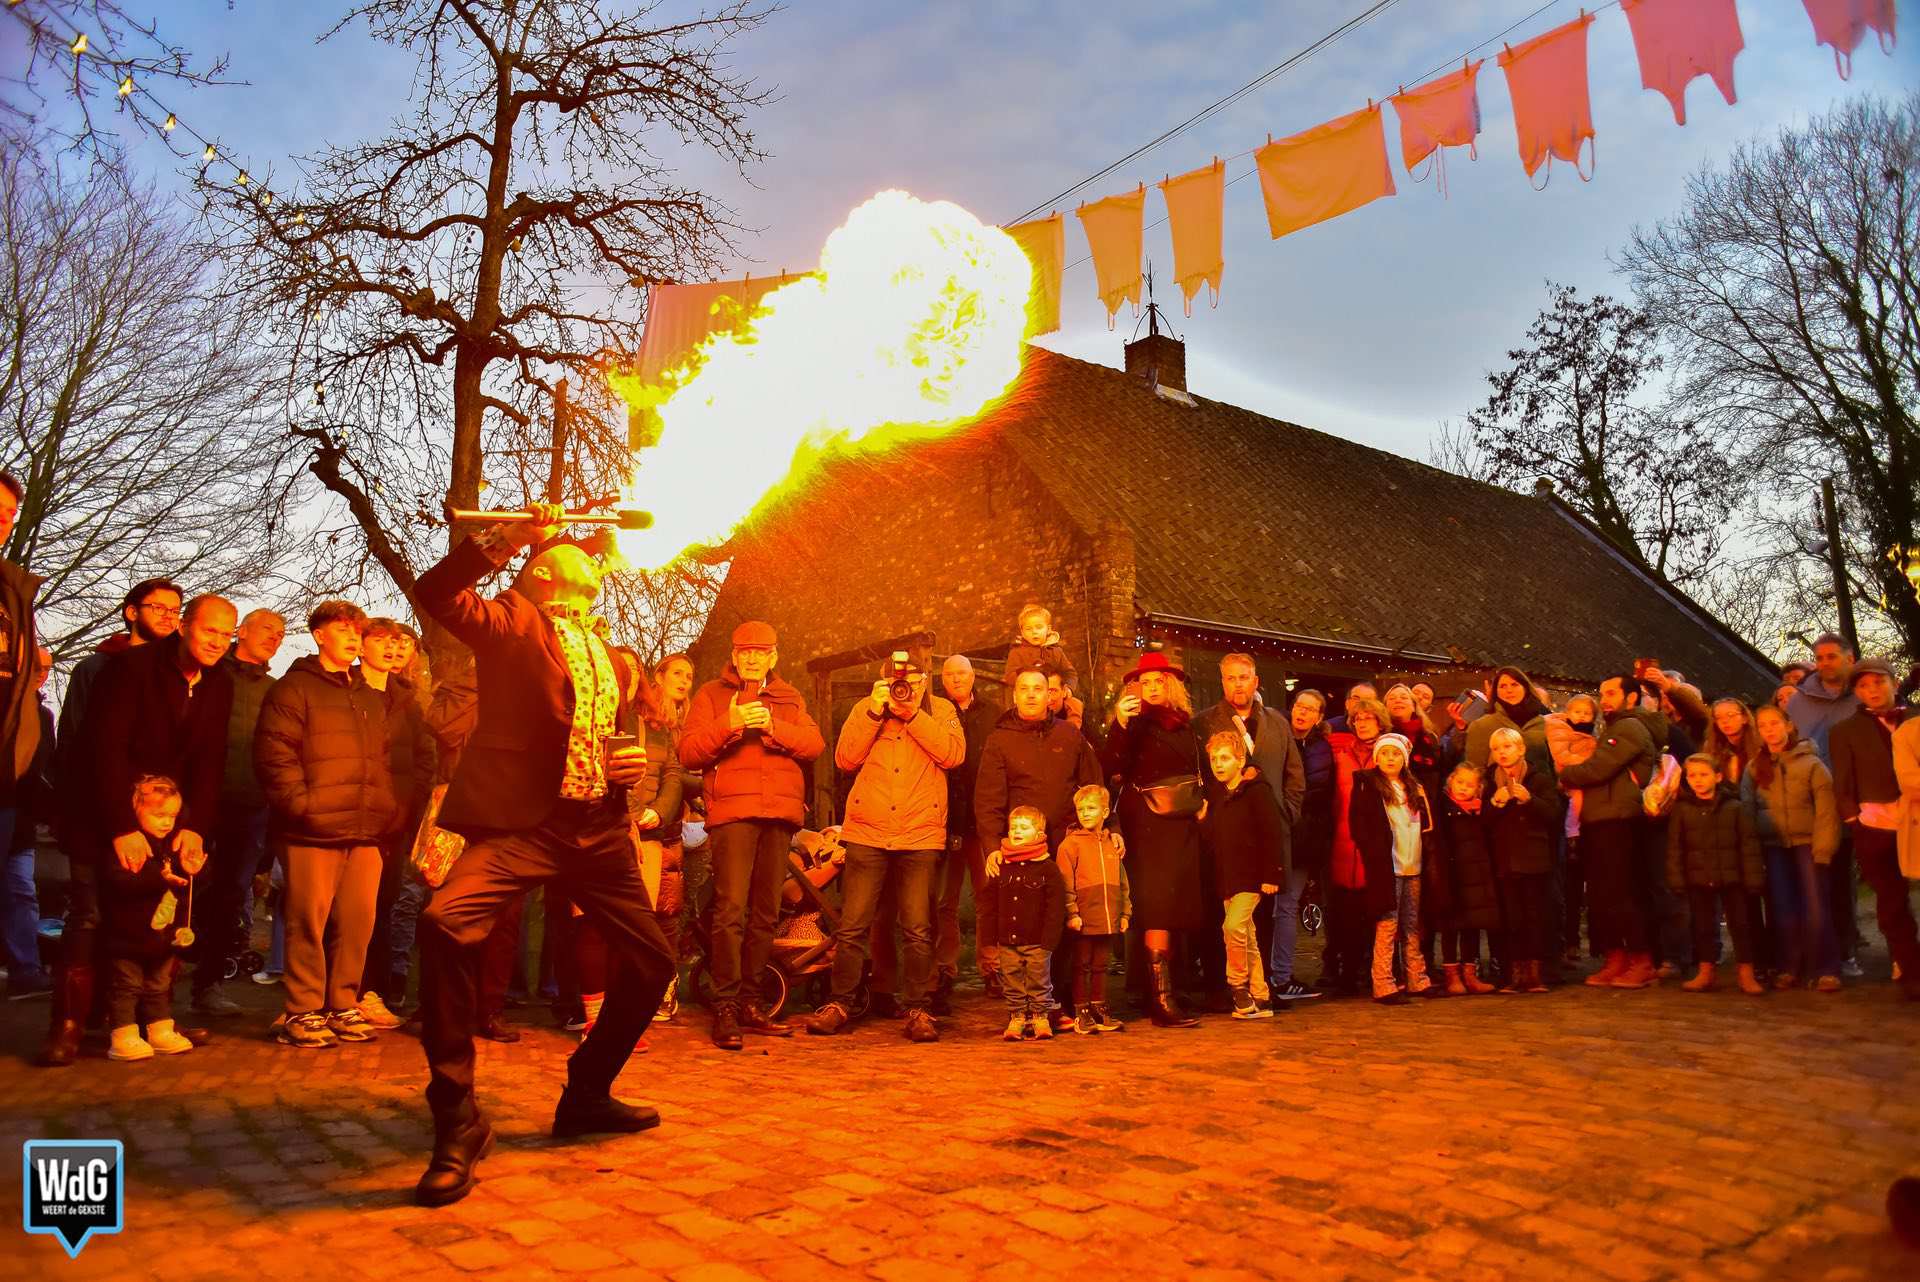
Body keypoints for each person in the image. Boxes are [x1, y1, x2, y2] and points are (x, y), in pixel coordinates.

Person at [409, 506, 678, 1207]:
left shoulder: (619, 658)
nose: (590, 553)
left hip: (598, 832)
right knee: (443, 923)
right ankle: (457, 1121)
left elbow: (617, 743)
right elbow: (436, 594)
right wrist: (507, 539)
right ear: (540, 575)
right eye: (567, 550)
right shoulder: (512, 625)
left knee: (653, 962)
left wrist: (630, 771)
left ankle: (587, 1092)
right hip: (524, 828)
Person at [38, 593, 236, 1068]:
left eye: (227, 634)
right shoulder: (131, 669)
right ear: (185, 626)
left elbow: (209, 763)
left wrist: (194, 829)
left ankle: (153, 1017)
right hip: (103, 814)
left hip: (167, 819)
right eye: (210, 630)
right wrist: (122, 826)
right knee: (89, 916)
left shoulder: (219, 684)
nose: (217, 642)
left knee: (161, 916)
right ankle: (69, 1024)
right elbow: (102, 750)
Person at [253, 601, 399, 1049]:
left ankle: (342, 1003)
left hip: (365, 829)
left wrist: (385, 809)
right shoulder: (293, 689)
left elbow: (383, 761)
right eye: (342, 630)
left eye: (357, 631)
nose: (353, 638)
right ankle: (302, 1009)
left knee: (358, 922)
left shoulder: (367, 697)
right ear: (319, 635)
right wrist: (304, 806)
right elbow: (274, 756)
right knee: (307, 922)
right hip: (310, 828)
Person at [679, 620, 824, 1050]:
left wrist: (775, 730)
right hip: (734, 813)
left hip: (779, 813)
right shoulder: (711, 695)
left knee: (765, 912)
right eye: (745, 652)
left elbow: (814, 744)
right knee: (731, 910)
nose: (753, 658)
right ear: (735, 655)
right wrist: (731, 722)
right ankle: (724, 1005)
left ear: (773, 657)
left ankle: (750, 1001)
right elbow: (688, 751)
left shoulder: (788, 696)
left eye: (761, 652)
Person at [804, 651, 963, 1042]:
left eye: (910, 678)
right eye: (894, 679)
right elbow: (845, 758)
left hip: (920, 832)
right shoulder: (866, 709)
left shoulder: (939, 710)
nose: (902, 686)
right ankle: (840, 1002)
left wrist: (913, 714)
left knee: (917, 927)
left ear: (925, 679)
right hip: (867, 832)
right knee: (853, 924)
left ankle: (919, 1009)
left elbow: (952, 754)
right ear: (882, 682)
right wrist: (875, 712)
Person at [1101, 652, 1207, 1028]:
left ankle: (1170, 991)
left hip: (1181, 824)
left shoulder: (1186, 726)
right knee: (1157, 909)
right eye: (1145, 683)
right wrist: (1119, 723)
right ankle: (1159, 1000)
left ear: (1171, 684)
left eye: (1158, 681)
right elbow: (1110, 765)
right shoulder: (1134, 724)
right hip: (1147, 824)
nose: (1152, 688)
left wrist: (1203, 799)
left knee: (1177, 907)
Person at [1195, 654, 1304, 995]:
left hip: (1271, 835)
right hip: (1229, 837)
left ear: (1255, 681)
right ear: (1222, 682)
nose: (1238, 684)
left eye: (1244, 677)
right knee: (1227, 915)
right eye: (1230, 678)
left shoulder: (1277, 722)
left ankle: (1264, 986)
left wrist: (1286, 812)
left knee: (1266, 913)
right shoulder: (1205, 722)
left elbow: (1294, 774)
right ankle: (1226, 987)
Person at [195, 608, 285, 1018]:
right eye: (267, 628)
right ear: (241, 631)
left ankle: (208, 984)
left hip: (251, 806)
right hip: (200, 801)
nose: (275, 636)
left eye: (282, 632)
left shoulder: (275, 688)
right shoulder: (211, 675)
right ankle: (146, 988)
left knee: (232, 896)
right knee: (182, 892)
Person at [348, 617, 436, 1030]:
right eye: (382, 641)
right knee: (340, 909)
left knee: (382, 906)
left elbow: (424, 759)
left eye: (400, 643)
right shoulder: (344, 688)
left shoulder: (408, 699)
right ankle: (325, 996)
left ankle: (371, 991)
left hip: (395, 821)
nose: (393, 650)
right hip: (348, 815)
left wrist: (408, 806)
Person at [1558, 677, 1659, 990]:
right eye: (1602, 694)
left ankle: (1642, 961)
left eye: (1612, 693)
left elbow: (1598, 768)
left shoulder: (1630, 727)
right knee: (1603, 895)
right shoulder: (1612, 728)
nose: (1604, 699)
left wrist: (1566, 773)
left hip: (1618, 819)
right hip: (1600, 818)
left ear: (1631, 697)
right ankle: (1616, 958)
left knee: (1622, 893)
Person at [1829, 658, 1920, 1001]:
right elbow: (1843, 782)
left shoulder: (1916, 719)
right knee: (1892, 902)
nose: (1873, 691)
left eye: (1879, 683)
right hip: (1878, 825)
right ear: (1856, 693)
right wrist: (1855, 820)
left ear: (1894, 683)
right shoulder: (1844, 731)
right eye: (1864, 686)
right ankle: (1911, 970)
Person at [100, 776, 201, 1060]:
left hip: (163, 935)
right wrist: (160, 879)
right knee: (126, 986)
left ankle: (159, 1028)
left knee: (159, 984)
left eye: (171, 815)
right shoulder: (127, 848)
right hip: (128, 934)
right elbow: (118, 883)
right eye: (159, 815)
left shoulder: (172, 845)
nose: (167, 822)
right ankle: (123, 1032)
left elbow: (190, 886)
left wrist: (194, 871)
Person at [1743, 704, 1841, 991]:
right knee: (1783, 908)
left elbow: (1826, 811)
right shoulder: (1754, 767)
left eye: (1774, 723)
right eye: (1762, 726)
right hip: (1774, 845)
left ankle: (1826, 967)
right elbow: (1747, 809)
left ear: (1788, 726)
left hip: (1807, 843)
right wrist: (1752, 848)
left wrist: (1823, 849)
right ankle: (1790, 966)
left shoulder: (1812, 764)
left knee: (1816, 906)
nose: (1769, 730)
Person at [1198, 730, 1284, 1020]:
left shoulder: (1257, 791)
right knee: (1246, 935)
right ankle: (1260, 994)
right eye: (1213, 759)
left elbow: (1271, 833)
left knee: (1233, 927)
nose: (1218, 764)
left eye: (1225, 758)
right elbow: (1214, 840)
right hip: (1228, 877)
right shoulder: (1218, 797)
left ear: (1240, 760)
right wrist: (1203, 820)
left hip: (1251, 875)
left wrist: (1272, 874)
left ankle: (1237, 985)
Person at [1345, 733, 1433, 1004]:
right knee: (1387, 923)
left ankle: (1416, 977)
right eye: (1384, 753)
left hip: (1413, 864)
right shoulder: (1368, 787)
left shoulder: (1413, 787)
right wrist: (1374, 853)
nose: (1390, 758)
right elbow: (1359, 824)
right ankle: (1383, 982)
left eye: (1396, 754)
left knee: (1411, 924)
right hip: (1388, 866)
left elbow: (1425, 823)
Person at [1668, 755, 1766, 995]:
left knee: (1740, 925)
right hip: (1698, 877)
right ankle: (1705, 970)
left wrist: (1753, 878)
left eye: (1704, 774)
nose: (1698, 780)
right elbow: (1675, 847)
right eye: (1692, 775)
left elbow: (1748, 845)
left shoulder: (1735, 808)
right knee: (1703, 926)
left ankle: (1746, 972)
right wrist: (1676, 878)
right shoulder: (1682, 809)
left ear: (1718, 776)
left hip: (1733, 877)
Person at [934, 653, 998, 1002]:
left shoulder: (992, 714)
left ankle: (992, 968)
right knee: (945, 899)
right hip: (944, 820)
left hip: (982, 818)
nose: (957, 679)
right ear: (942, 679)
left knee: (988, 896)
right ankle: (944, 969)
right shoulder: (933, 711)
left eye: (962, 673)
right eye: (950, 674)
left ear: (973, 676)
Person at [1486, 726, 1561, 993]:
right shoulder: (1489, 779)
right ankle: (1514, 973)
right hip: (1505, 859)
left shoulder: (1539, 778)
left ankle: (1536, 973)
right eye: (1496, 748)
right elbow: (1485, 822)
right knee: (1512, 918)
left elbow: (1553, 814)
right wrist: (1496, 802)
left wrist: (1529, 800)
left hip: (1534, 858)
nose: (1502, 753)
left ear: (1521, 749)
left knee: (1535, 916)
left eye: (1507, 747)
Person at [983, 804, 1066, 1040]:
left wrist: (1049, 939)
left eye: (1024, 827)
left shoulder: (1047, 868)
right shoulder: (1001, 865)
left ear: (1039, 835)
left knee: (1039, 980)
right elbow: (990, 904)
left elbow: (1055, 907)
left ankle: (1040, 1017)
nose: (1016, 831)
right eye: (1013, 827)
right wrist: (990, 937)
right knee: (1012, 980)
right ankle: (1017, 1017)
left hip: (1037, 940)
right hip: (1007, 938)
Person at [1323, 696, 1387, 994]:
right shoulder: (1342, 754)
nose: (1362, 724)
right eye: (1358, 719)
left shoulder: (1388, 752)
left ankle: (1373, 972)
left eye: (1369, 718)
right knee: (1345, 911)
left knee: (1373, 910)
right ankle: (1347, 973)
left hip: (1376, 841)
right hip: (1343, 837)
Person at [1055, 784, 1130, 1034]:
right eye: (1081, 809)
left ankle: (1099, 1006)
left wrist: (1125, 913)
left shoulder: (1112, 844)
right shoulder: (1070, 845)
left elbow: (1123, 882)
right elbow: (1065, 883)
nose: (1085, 813)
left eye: (1091, 808)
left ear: (1106, 811)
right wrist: (1072, 912)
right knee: (1082, 964)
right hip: (1083, 919)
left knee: (1101, 965)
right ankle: (1081, 1010)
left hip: (1107, 918)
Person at [1280, 690, 1331, 1000]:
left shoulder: (1320, 749)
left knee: (1287, 905)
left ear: (1319, 717)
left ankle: (1282, 974)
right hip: (1279, 833)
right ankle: (1276, 973)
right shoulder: (1278, 735)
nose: (1302, 713)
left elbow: (1316, 792)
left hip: (1301, 837)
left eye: (1310, 709)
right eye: (1299, 706)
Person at [1432, 762, 1499, 994]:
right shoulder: (1443, 807)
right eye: (1460, 782)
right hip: (1453, 874)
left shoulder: (1481, 810)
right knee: (1451, 926)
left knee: (1473, 926)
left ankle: (1470, 973)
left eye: (1469, 785)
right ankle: (1452, 975)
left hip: (1476, 875)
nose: (1463, 788)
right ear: (1451, 780)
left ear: (1478, 788)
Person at [1005, 604, 1077, 692]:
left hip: (1053, 696)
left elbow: (1069, 673)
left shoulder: (1056, 651)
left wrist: (1069, 688)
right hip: (1030, 696)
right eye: (1028, 629)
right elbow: (1009, 677)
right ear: (1022, 632)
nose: (1034, 632)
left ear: (1048, 629)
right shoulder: (1017, 652)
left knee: (1076, 705)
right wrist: (1030, 674)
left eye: (1039, 627)